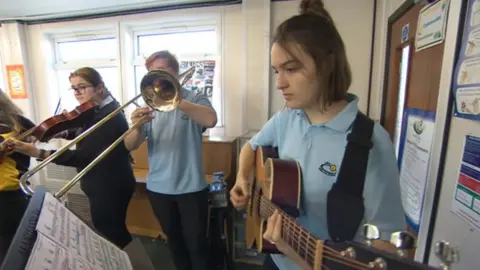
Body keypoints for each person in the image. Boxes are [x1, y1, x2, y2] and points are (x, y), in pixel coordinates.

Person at [229, 1, 406, 270]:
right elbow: (250, 147)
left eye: (291, 69)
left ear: (326, 65)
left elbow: (386, 246)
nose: (279, 83)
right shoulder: (287, 117)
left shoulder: (370, 142)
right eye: (277, 71)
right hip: (273, 260)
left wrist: (298, 253)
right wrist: (243, 179)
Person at [8, 67, 136, 249]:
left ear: (99, 88)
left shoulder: (110, 116)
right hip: (101, 180)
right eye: (74, 88)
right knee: (108, 227)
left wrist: (37, 153)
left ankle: (127, 262)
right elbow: (82, 132)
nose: (77, 93)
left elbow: (82, 157)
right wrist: (55, 133)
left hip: (109, 183)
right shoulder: (100, 107)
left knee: (110, 230)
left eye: (82, 87)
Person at [124, 50, 217, 270]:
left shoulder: (194, 98)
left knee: (197, 245)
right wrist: (136, 126)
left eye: (161, 72)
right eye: (151, 73)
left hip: (191, 188)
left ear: (175, 72)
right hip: (158, 188)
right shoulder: (150, 105)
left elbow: (211, 120)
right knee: (174, 243)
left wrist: (175, 99)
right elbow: (130, 145)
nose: (155, 78)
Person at [0, 90, 36, 264]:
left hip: (16, 191)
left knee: (21, 242)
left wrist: (61, 127)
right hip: (9, 195)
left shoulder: (17, 121)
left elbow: (43, 132)